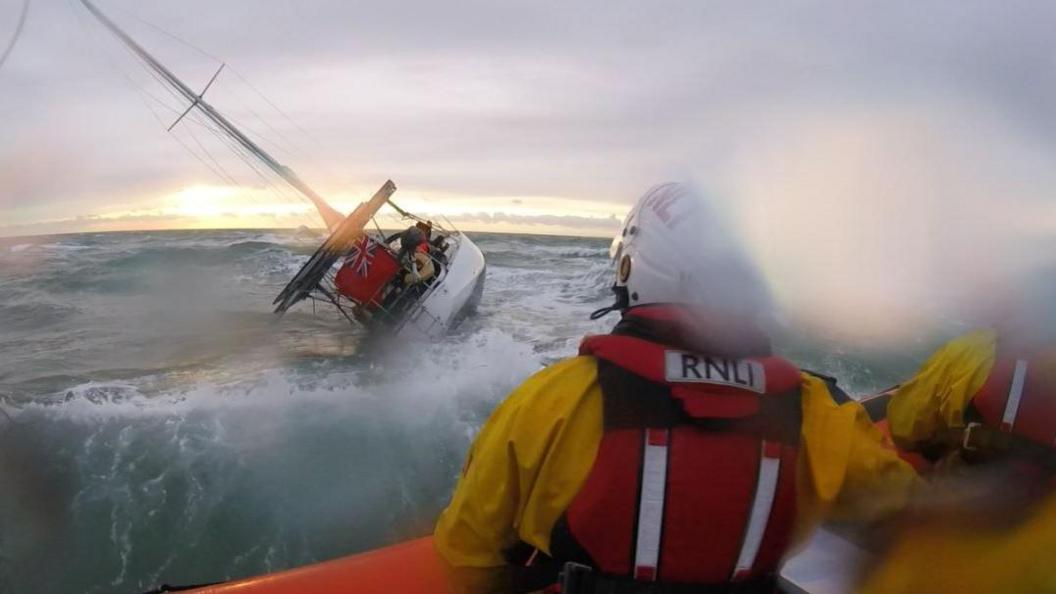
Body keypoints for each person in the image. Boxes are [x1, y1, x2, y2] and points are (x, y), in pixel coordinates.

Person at [434, 183, 917, 594]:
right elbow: (910, 520)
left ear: (632, 271)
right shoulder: (816, 409)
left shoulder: (550, 400)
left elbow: (466, 559)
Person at [857, 280, 1056, 594]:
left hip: (959, 519)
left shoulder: (973, 352)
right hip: (1042, 539)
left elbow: (904, 427)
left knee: (884, 525)